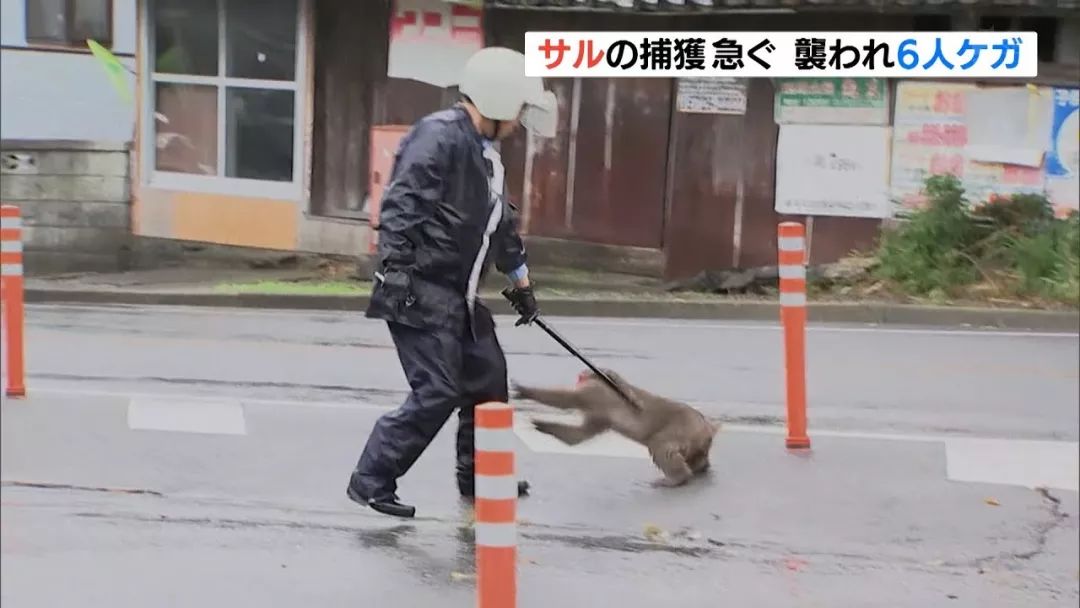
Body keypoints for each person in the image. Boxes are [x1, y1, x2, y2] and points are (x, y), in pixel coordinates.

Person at [346, 47, 558, 518]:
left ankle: (482, 478)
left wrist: (522, 285)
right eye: (520, 109)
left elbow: (501, 228)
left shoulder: (487, 155)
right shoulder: (439, 137)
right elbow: (401, 206)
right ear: (500, 101)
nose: (522, 121)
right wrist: (396, 273)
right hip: (421, 289)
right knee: (437, 390)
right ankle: (372, 479)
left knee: (487, 379)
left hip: (459, 297)